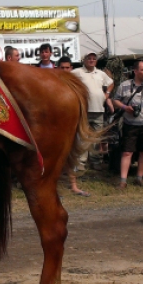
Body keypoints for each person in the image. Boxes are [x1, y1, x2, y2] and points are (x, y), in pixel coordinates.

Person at [112, 60, 143, 189]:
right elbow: (115, 100)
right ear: (135, 71)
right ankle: (123, 181)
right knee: (127, 152)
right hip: (130, 124)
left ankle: (139, 178)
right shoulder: (124, 85)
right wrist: (124, 107)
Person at [72, 52, 114, 171]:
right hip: (84, 111)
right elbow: (65, 79)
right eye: (89, 58)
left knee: (96, 138)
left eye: (94, 59)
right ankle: (81, 162)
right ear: (84, 60)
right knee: (83, 137)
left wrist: (107, 94)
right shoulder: (77, 72)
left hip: (99, 110)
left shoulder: (100, 73)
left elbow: (111, 83)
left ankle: (96, 161)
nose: (91, 60)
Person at [56, 58, 89, 196]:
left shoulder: (76, 85)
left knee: (71, 155)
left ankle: (74, 186)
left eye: (67, 68)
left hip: (72, 124)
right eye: (62, 68)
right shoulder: (53, 84)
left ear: (71, 68)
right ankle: (53, 187)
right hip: (56, 126)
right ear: (58, 68)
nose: (65, 70)